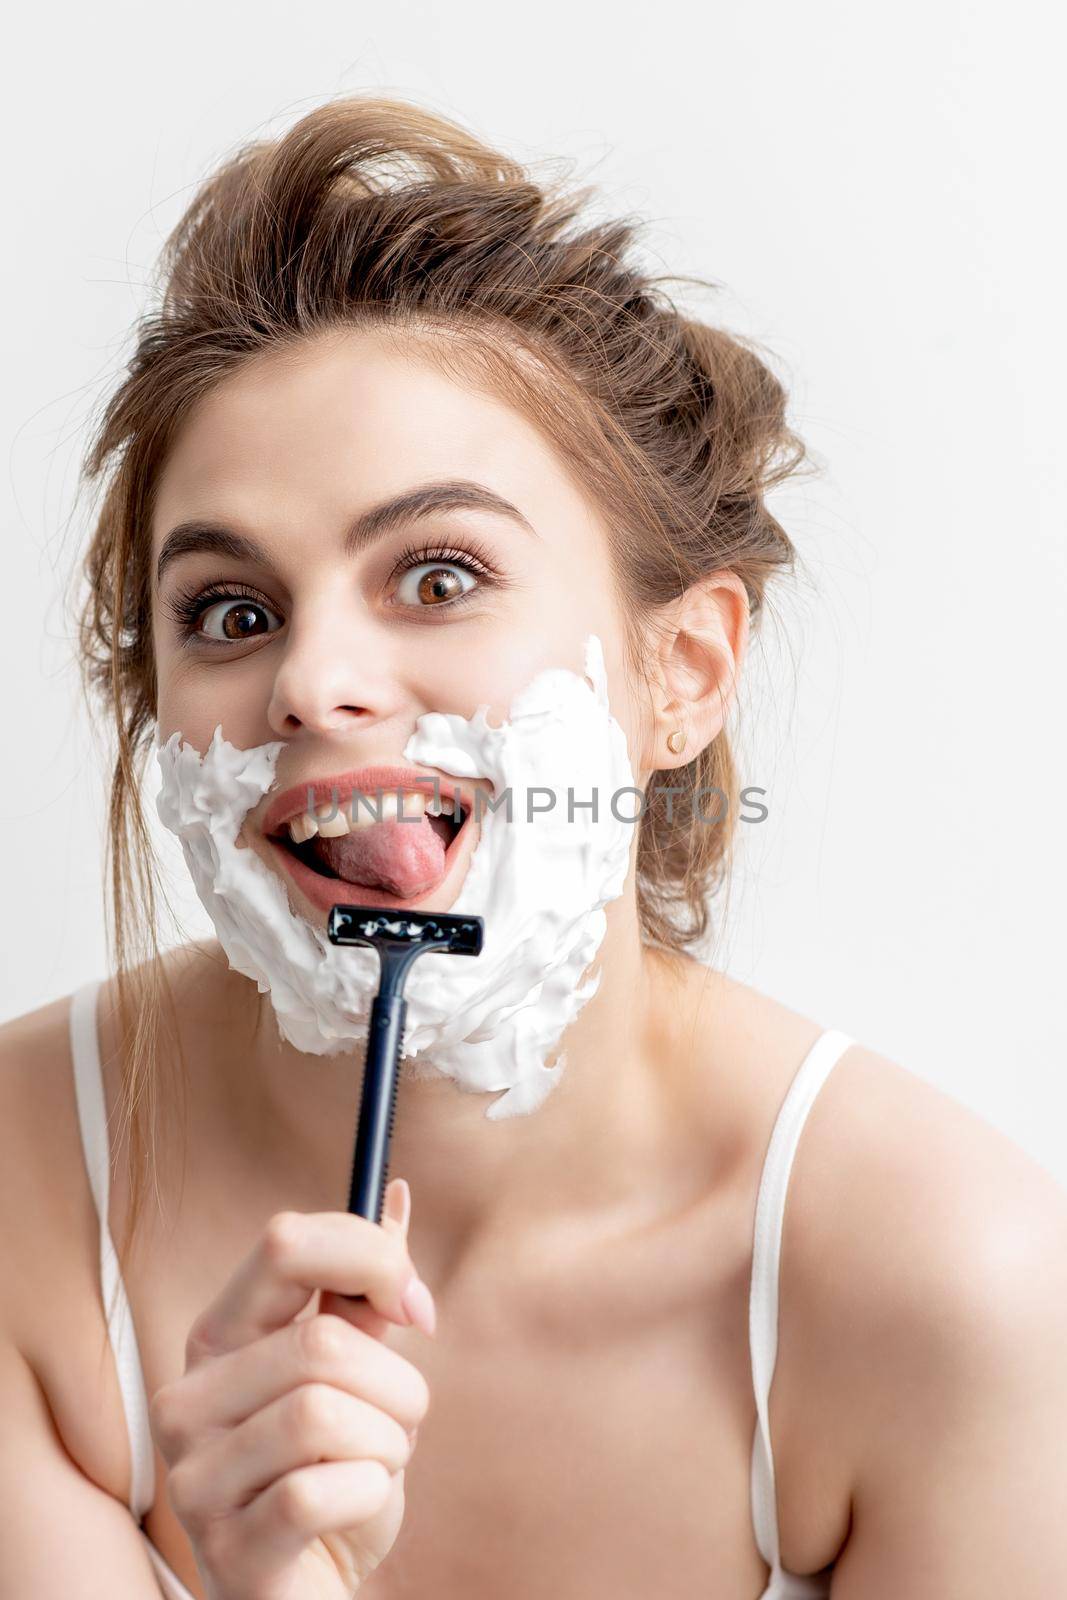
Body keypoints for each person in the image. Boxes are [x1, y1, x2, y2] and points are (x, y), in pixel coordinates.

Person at [2, 94, 1065, 1600]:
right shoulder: (14, 1202)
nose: (310, 683)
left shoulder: (955, 1290)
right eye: (232, 614)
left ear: (682, 673)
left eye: (437, 575)